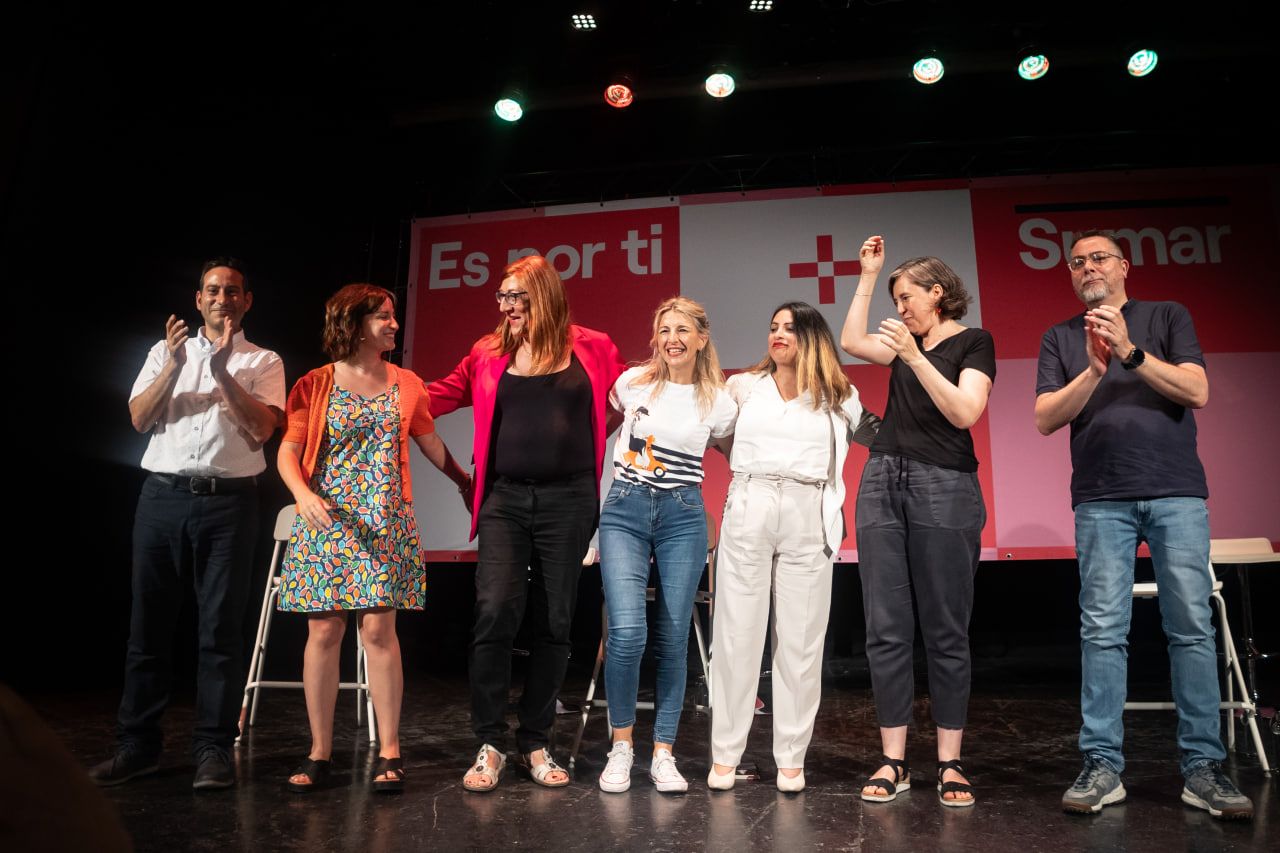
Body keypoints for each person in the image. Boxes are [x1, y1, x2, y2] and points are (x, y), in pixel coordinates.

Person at [1035, 230, 1253, 821]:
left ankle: (1202, 768)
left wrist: (1129, 351)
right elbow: (1044, 419)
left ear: (1124, 266)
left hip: (1176, 495)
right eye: (1076, 262)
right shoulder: (1061, 337)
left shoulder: (1167, 315)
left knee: (1191, 628)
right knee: (1102, 630)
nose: (1086, 268)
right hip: (1100, 500)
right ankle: (1102, 764)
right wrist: (1094, 371)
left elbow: (1198, 390)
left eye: (1098, 257)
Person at [427, 255, 627, 792]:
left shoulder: (594, 346)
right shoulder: (487, 352)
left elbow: (629, 400)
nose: (508, 307)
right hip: (504, 500)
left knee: (555, 620)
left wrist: (589, 438)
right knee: (494, 611)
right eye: (502, 297)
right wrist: (380, 391)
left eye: (518, 297)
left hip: (570, 499)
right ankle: (489, 741)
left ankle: (536, 739)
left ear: (546, 296)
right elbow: (437, 395)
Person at [90, 258, 284, 790]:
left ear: (247, 302)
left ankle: (213, 750)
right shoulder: (163, 352)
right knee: (147, 628)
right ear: (198, 299)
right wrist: (176, 366)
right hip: (163, 497)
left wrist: (222, 371)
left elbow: (262, 429)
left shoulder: (263, 360)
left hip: (229, 505)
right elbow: (139, 418)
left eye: (233, 291)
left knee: (220, 630)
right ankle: (138, 747)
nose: (223, 298)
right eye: (213, 290)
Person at [276, 284, 469, 794]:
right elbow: (288, 451)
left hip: (385, 521)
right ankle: (320, 752)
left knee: (380, 634)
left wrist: (465, 482)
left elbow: (429, 442)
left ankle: (390, 750)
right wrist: (301, 495)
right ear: (354, 322)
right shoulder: (314, 385)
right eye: (383, 317)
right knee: (323, 633)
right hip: (326, 519)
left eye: (393, 316)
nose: (394, 325)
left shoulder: (407, 384)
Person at [839, 237, 995, 808]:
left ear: (937, 293)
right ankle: (894, 760)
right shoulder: (913, 341)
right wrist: (868, 275)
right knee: (885, 627)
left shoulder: (973, 342)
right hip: (882, 480)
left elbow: (964, 411)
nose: (899, 308)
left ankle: (951, 762)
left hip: (944, 485)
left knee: (946, 628)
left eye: (906, 296)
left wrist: (912, 355)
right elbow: (852, 341)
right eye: (894, 298)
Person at [708, 301, 862, 793]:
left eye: (790, 329)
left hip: (808, 508)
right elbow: (716, 435)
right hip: (751, 500)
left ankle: (791, 758)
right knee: (737, 636)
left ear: (812, 336)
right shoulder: (743, 387)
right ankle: (725, 755)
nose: (778, 335)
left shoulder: (840, 395)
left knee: (800, 641)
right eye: (773, 326)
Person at [596, 297, 737, 794]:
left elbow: (736, 452)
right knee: (628, 633)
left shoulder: (719, 401)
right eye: (664, 329)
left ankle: (663, 752)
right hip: (625, 511)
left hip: (682, 516)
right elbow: (605, 437)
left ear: (701, 338)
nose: (672, 338)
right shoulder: (631, 383)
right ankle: (621, 748)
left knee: (674, 637)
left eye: (682, 330)